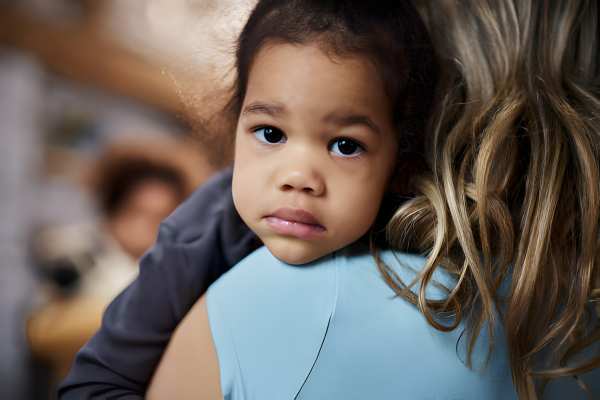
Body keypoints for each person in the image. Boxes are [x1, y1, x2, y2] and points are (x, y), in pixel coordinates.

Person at [60, 1, 600, 399]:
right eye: (269, 133)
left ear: (400, 166)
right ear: (235, 125)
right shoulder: (198, 231)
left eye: (345, 145)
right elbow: (96, 383)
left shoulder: (419, 238)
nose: (298, 176)